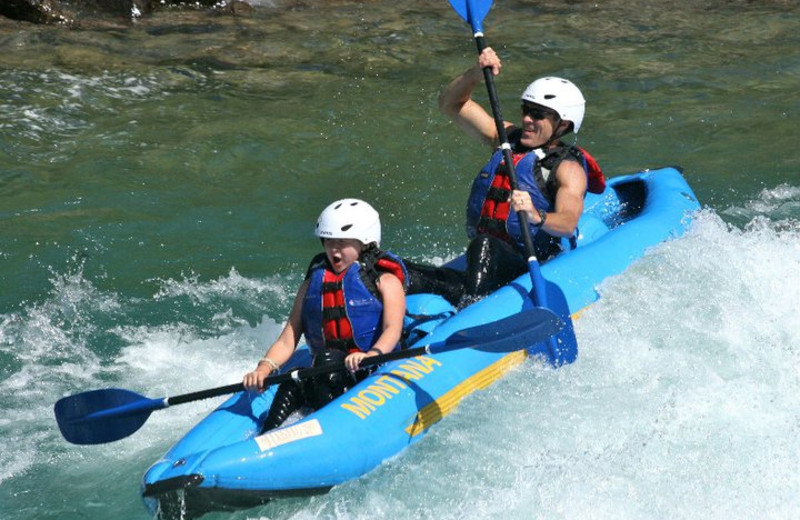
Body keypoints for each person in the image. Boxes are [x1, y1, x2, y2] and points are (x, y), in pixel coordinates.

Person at [418, 46, 606, 302]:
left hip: (528, 263)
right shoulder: (505, 139)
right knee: (394, 269)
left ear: (563, 124)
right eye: (526, 109)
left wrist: (535, 215)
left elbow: (567, 223)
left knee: (484, 245)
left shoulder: (567, 168)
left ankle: (469, 310)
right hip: (486, 258)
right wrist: (475, 73)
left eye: (538, 114)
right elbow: (450, 103)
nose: (527, 119)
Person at [243, 198, 407, 432]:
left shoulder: (385, 280)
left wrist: (371, 355)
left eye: (342, 242)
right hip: (329, 373)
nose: (334, 250)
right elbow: (288, 338)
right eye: (329, 242)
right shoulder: (311, 284)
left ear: (365, 243)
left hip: (370, 369)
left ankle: (329, 430)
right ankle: (266, 436)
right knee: (292, 381)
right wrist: (263, 368)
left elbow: (393, 328)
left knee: (326, 359)